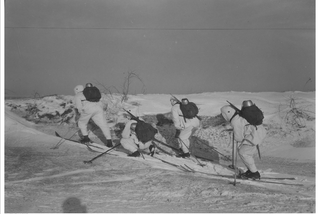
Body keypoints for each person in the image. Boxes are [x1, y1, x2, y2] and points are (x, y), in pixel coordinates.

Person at [220, 100, 266, 180]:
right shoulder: (240, 116)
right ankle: (251, 171)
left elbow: (239, 138)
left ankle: (254, 173)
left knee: (243, 153)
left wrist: (236, 134)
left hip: (253, 136)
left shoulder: (235, 120)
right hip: (258, 132)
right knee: (246, 153)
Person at [73, 83, 113, 148]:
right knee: (103, 125)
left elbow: (79, 106)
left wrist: (81, 112)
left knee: (82, 123)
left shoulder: (78, 95)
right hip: (98, 108)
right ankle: (109, 142)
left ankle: (86, 139)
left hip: (88, 108)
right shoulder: (92, 94)